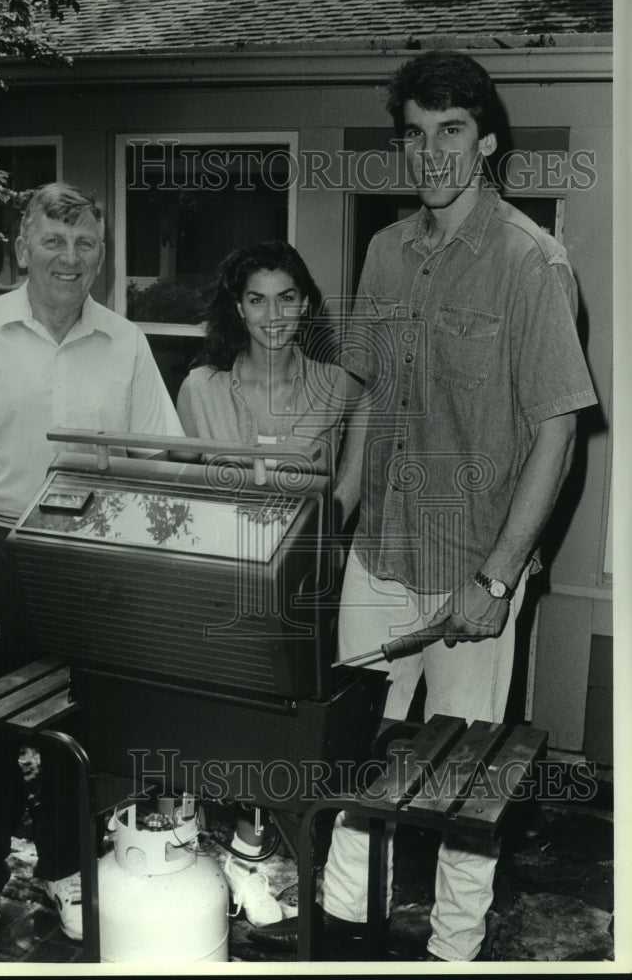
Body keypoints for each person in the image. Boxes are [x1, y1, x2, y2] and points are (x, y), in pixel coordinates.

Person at [248, 50, 597, 961]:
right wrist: (336, 525)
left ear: (485, 140)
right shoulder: (384, 252)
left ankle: (451, 946)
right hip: (379, 554)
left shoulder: (534, 264)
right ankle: (345, 928)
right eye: (416, 133)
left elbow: (556, 433)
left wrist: (498, 576)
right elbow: (367, 399)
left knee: (462, 784)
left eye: (452, 131)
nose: (432, 151)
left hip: (471, 568)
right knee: (357, 758)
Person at [0, 182, 183, 959]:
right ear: (21, 248)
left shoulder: (126, 343)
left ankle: (66, 871)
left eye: (85, 243)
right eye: (52, 242)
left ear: (102, 252)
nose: (70, 258)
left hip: (81, 560)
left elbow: (160, 464)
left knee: (79, 728)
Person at [177, 240, 359, 927]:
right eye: (256, 298)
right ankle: (194, 856)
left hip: (304, 589)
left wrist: (304, 552)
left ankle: (254, 857)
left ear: (306, 303)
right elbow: (189, 493)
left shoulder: (340, 388)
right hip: (221, 583)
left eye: (287, 297)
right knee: (208, 726)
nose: (272, 313)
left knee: (283, 729)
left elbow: (348, 489)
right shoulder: (200, 388)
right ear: (236, 306)